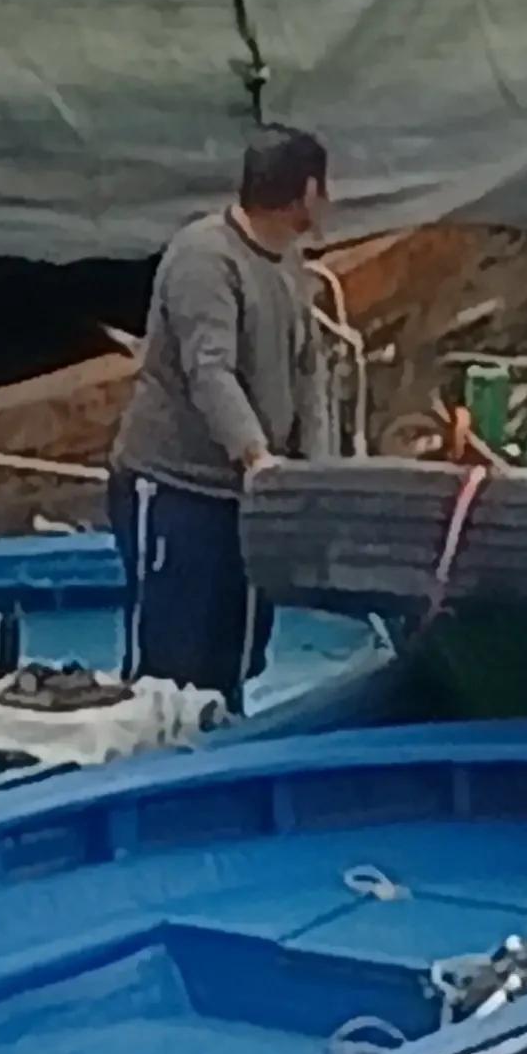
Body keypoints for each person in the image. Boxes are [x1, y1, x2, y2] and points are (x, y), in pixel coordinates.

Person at [110, 125, 340, 699]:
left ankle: (226, 730)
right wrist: (256, 455)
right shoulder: (205, 258)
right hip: (177, 489)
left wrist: (317, 472)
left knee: (235, 654)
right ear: (308, 192)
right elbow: (209, 369)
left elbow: (308, 369)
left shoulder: (287, 262)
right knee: (170, 658)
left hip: (248, 499)